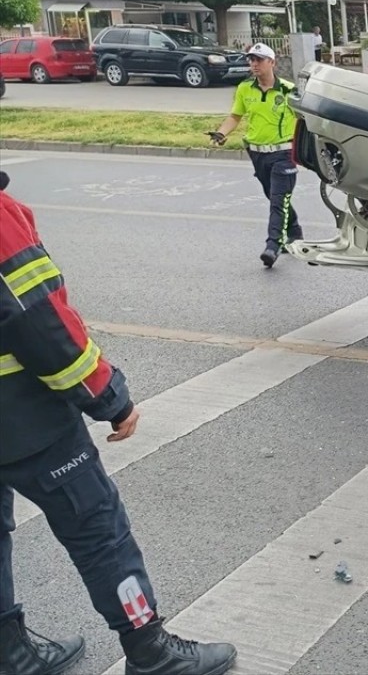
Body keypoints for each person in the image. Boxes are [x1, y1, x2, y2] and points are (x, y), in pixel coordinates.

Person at [0, 169, 237, 675]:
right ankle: (148, 649)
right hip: (24, 420)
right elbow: (42, 327)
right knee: (97, 528)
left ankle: (9, 651)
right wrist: (108, 397)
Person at [208, 42, 304, 267]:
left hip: (284, 154)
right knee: (274, 197)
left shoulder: (289, 91)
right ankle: (295, 231)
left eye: (259, 60)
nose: (254, 64)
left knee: (278, 202)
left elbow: (305, 121)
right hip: (258, 154)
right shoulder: (244, 89)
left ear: (272, 62)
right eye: (251, 60)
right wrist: (221, 134)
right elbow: (235, 116)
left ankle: (273, 246)